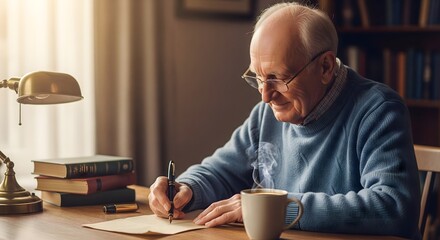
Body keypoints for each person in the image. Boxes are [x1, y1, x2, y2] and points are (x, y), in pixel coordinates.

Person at [149, 2, 421, 239]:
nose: (266, 96)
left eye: (278, 78)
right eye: (257, 77)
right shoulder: (267, 114)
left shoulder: (378, 110)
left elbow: (393, 206)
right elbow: (220, 172)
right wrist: (185, 188)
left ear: (325, 67)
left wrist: (280, 209)